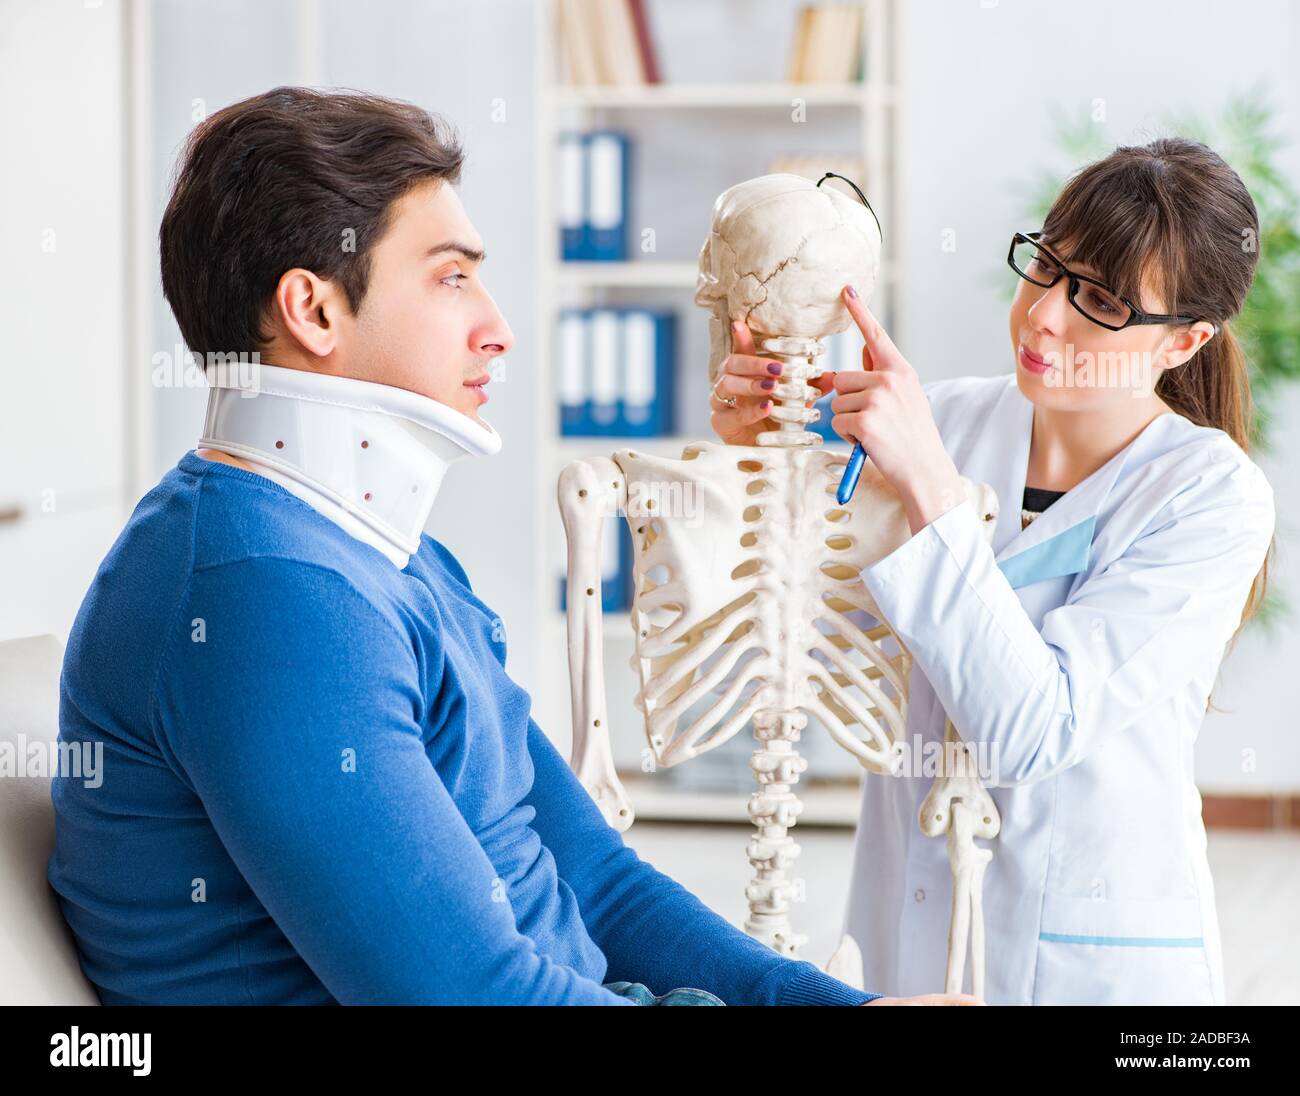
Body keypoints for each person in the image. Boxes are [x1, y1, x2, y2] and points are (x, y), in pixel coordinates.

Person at [47, 86, 973, 1007]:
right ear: (313, 310)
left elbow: (598, 884)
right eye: (452, 277)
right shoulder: (262, 593)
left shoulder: (386, 559)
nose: (498, 328)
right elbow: (474, 998)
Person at [709, 137, 1275, 1005]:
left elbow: (1030, 733)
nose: (1045, 315)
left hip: (1097, 965)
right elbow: (820, 627)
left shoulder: (1210, 497)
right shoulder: (944, 419)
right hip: (911, 929)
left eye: (1099, 301)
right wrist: (762, 440)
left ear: (1185, 340)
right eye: (1046, 268)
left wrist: (929, 485)